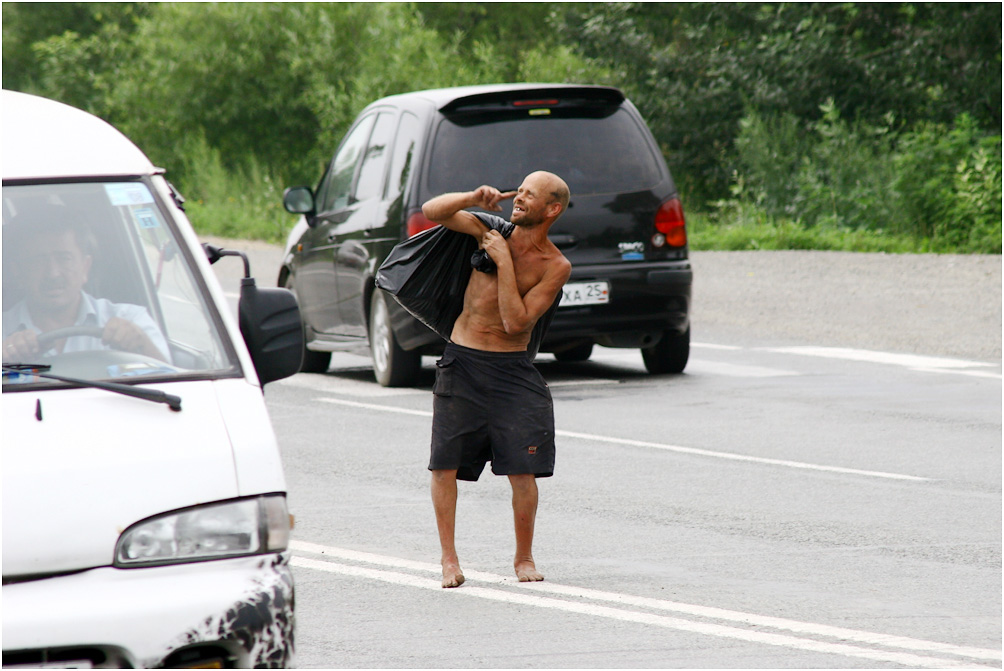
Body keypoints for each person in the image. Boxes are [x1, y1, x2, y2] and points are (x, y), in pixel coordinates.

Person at [421, 170, 572, 588]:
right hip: (463, 363)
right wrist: (472, 195)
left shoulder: (556, 266)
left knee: (523, 471)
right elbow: (432, 211)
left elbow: (515, 321)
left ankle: (524, 558)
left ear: (552, 209)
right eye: (519, 190)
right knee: (444, 466)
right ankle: (449, 559)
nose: (519, 198)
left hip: (510, 371)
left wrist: (504, 261)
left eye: (530, 194)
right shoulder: (487, 230)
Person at [2, 220, 170, 364]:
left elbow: (172, 384)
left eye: (64, 258)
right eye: (38, 261)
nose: (53, 273)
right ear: (18, 271)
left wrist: (141, 345)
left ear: (85, 266)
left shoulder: (130, 319)